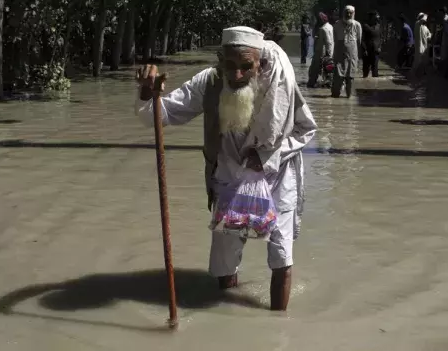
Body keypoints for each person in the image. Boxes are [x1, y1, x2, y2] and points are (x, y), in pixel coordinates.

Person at [134, 26, 318, 310]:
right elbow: (160, 115)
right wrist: (148, 93)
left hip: (277, 178)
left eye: (247, 66)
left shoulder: (278, 84)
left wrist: (269, 155)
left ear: (260, 63)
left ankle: (279, 327)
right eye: (230, 65)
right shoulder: (208, 82)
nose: (237, 75)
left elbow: (306, 129)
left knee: (281, 257)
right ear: (220, 59)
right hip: (227, 179)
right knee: (224, 260)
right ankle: (223, 313)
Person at [332, 5, 362, 98]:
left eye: (350, 13)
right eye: (346, 12)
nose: (348, 14)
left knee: (350, 76)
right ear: (343, 13)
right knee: (338, 75)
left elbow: (359, 41)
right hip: (339, 53)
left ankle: (349, 97)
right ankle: (335, 96)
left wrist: (358, 56)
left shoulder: (357, 25)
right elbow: (334, 39)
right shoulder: (337, 24)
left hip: (352, 54)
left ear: (353, 14)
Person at [308, 12, 334, 87]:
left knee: (313, 72)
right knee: (326, 73)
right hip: (328, 53)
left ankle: (310, 86)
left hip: (321, 54)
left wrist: (328, 55)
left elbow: (328, 42)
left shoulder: (323, 29)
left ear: (321, 20)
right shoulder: (330, 26)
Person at [361, 11, 382, 78]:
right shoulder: (365, 26)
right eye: (376, 17)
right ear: (372, 17)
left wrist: (380, 47)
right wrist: (364, 50)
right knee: (365, 71)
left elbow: (381, 38)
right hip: (367, 51)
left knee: (375, 71)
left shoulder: (379, 26)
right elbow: (362, 39)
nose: (377, 18)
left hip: (376, 51)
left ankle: (374, 86)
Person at [413, 13, 432, 78]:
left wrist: (428, 37)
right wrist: (425, 16)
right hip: (419, 47)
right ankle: (414, 75)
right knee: (417, 61)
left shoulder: (425, 27)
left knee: (424, 61)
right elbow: (421, 20)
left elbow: (429, 34)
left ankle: (422, 73)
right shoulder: (417, 24)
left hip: (425, 47)